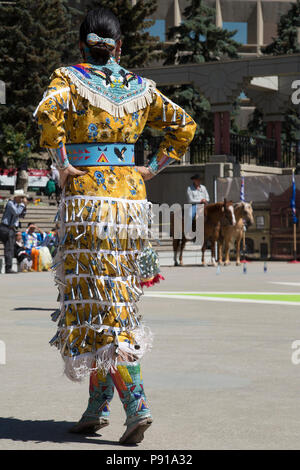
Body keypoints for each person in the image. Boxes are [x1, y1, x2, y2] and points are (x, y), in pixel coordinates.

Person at [34, 7, 196, 445]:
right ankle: (96, 405)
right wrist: (152, 169)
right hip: (129, 210)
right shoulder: (141, 88)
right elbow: (185, 127)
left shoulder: (68, 79)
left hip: (87, 206)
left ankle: (137, 404)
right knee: (110, 302)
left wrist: (64, 164)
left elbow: (47, 114)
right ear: (119, 46)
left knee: (99, 306)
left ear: (81, 43)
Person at [0, 189, 28, 273]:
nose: (22, 199)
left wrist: (24, 206)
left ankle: (9, 267)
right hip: (6, 228)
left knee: (11, 248)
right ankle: (8, 268)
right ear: (16, 197)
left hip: (11, 228)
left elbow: (21, 215)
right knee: (9, 248)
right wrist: (23, 205)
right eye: (21, 197)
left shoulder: (16, 204)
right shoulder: (10, 203)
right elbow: (16, 212)